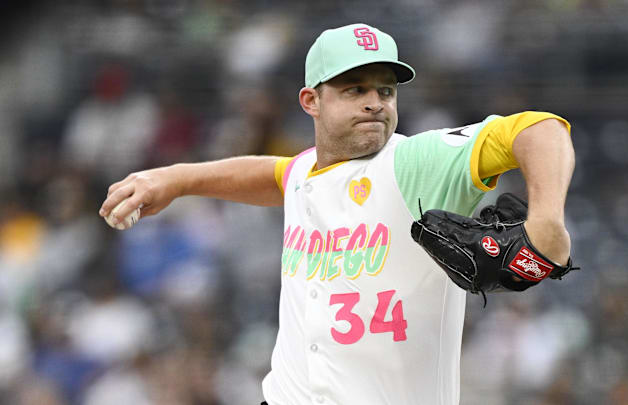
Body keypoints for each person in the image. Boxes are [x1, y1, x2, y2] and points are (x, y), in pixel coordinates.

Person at [100, 23, 574, 405]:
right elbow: (274, 175)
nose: (375, 102)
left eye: (385, 91)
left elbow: (541, 129)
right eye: (354, 89)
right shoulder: (307, 169)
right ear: (311, 100)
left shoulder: (415, 164)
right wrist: (176, 180)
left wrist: (547, 221)